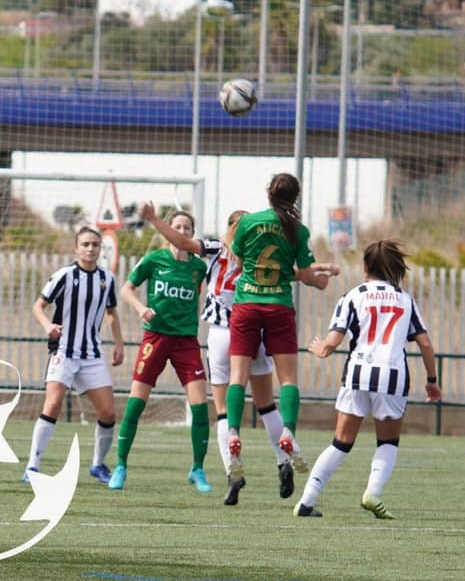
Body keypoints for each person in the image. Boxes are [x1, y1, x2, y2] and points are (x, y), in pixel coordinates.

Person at [145, 205, 310, 506]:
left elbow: (182, 243)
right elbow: (288, 271)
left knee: (222, 410)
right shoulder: (258, 249)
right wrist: (315, 273)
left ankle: (233, 475)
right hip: (253, 329)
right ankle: (283, 460)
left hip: (223, 332)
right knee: (267, 406)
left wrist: (155, 220)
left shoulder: (216, 247)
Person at [296, 239, 440, 519]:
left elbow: (333, 341)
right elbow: (425, 344)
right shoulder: (405, 300)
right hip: (393, 377)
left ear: (364, 267)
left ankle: (306, 501)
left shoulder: (353, 296)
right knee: (387, 443)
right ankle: (372, 493)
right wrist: (432, 380)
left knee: (341, 442)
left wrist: (321, 349)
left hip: (358, 373)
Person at [222, 173, 340, 505]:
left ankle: (233, 433)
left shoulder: (248, 222)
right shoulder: (298, 230)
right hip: (278, 307)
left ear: (269, 194)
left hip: (246, 305)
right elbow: (301, 272)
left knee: (237, 377)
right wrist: (319, 279)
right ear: (296, 197)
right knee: (287, 379)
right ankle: (287, 430)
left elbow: (244, 263)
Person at [109, 207, 212, 493]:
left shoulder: (198, 267)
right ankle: (120, 465)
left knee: (201, 406)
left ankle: (198, 469)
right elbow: (126, 289)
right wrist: (142, 309)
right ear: (168, 231)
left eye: (187, 228)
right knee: (135, 403)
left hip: (186, 341)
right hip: (155, 339)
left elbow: (199, 295)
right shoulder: (154, 259)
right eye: (177, 226)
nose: (182, 232)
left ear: (192, 234)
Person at [25, 226, 124, 484]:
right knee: (53, 404)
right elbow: (38, 305)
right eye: (86, 244)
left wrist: (119, 344)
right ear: (76, 248)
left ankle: (98, 465)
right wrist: (48, 326)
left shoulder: (107, 279)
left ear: (100, 248)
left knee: (108, 412)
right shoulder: (65, 276)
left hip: (92, 353)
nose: (91, 249)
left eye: (95, 244)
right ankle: (32, 467)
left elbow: (111, 312)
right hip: (64, 351)